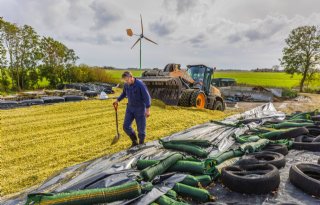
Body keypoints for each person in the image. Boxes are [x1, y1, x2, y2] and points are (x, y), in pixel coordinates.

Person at [113, 71, 151, 147]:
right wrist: (118, 100)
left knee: (141, 130)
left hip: (140, 108)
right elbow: (124, 93)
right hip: (130, 108)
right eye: (125, 81)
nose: (126, 82)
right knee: (126, 126)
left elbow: (147, 97)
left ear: (131, 77)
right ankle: (134, 141)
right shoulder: (126, 85)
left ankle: (141, 144)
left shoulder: (140, 85)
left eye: (127, 80)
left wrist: (147, 110)